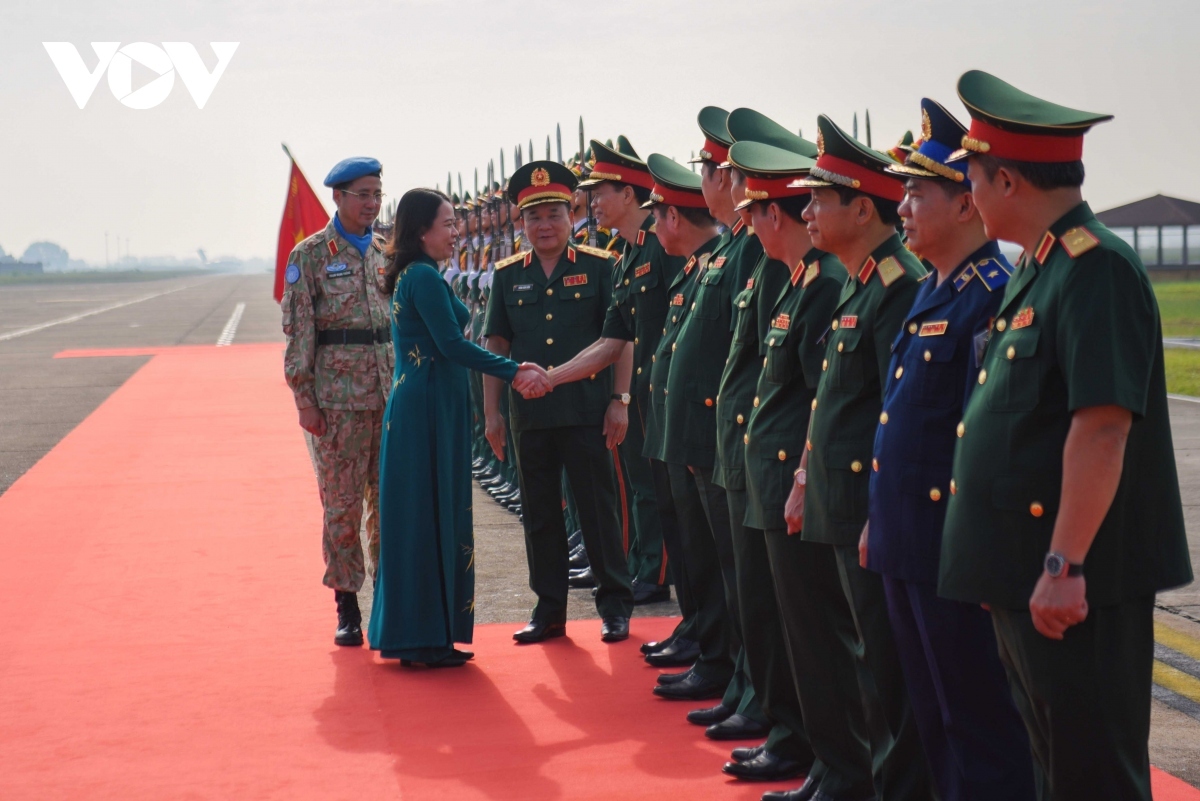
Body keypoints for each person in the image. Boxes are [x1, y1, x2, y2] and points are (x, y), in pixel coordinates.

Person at [940, 70, 1192, 801]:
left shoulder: (1094, 269)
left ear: (1009, 180)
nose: (971, 197)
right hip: (1029, 572)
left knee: (1093, 773)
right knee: (1057, 767)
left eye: (976, 181)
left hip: (1079, 580)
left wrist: (1064, 561)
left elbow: (1103, 428)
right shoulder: (1040, 271)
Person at [858, 97, 1035, 801]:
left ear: (967, 206)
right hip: (909, 543)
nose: (902, 208)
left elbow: (985, 439)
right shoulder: (932, 291)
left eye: (917, 193)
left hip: (952, 553)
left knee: (980, 723)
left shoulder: (988, 294)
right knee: (933, 716)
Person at [782, 115, 933, 801]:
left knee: (888, 669)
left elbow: (892, 416)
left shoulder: (897, 285)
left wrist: (874, 509)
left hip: (870, 511)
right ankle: (852, 774)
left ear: (862, 208)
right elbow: (832, 401)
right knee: (861, 658)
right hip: (838, 503)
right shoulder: (857, 280)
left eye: (819, 199)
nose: (805, 210)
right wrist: (805, 476)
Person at [367, 188, 548, 668]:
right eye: (447, 224)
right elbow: (452, 345)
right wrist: (514, 370)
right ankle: (424, 637)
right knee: (427, 516)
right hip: (426, 408)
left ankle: (421, 634)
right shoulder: (423, 277)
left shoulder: (420, 274)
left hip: (427, 404)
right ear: (421, 230)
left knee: (423, 516)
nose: (455, 232)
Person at [483, 160, 636, 644]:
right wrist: (491, 414)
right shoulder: (507, 276)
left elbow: (622, 339)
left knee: (598, 510)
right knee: (541, 514)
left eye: (553, 214)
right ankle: (549, 610)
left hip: (588, 411)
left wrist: (620, 399)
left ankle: (614, 605)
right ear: (521, 223)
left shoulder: (599, 267)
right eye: (533, 217)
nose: (544, 226)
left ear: (571, 216)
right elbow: (496, 347)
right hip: (531, 416)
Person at [281, 156, 394, 647]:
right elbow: (299, 333)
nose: (371, 203)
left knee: (388, 503)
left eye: (377, 194)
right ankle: (347, 603)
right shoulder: (309, 256)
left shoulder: (390, 252)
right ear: (338, 197)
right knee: (343, 506)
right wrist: (304, 398)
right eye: (362, 194)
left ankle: (390, 600)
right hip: (338, 401)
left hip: (390, 396)